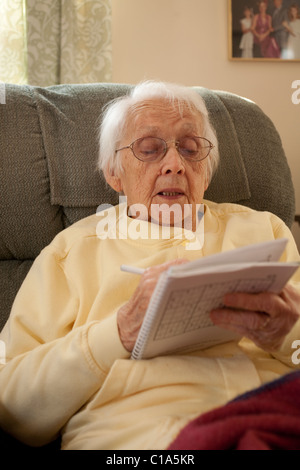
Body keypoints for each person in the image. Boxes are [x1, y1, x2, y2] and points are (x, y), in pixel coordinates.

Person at [0, 81, 300, 450]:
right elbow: (11, 403)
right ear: (115, 173)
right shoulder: (72, 252)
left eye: (190, 150)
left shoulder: (264, 231)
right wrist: (120, 332)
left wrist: (287, 335)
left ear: (206, 171)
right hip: (141, 437)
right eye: (149, 149)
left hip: (268, 416)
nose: (174, 165)